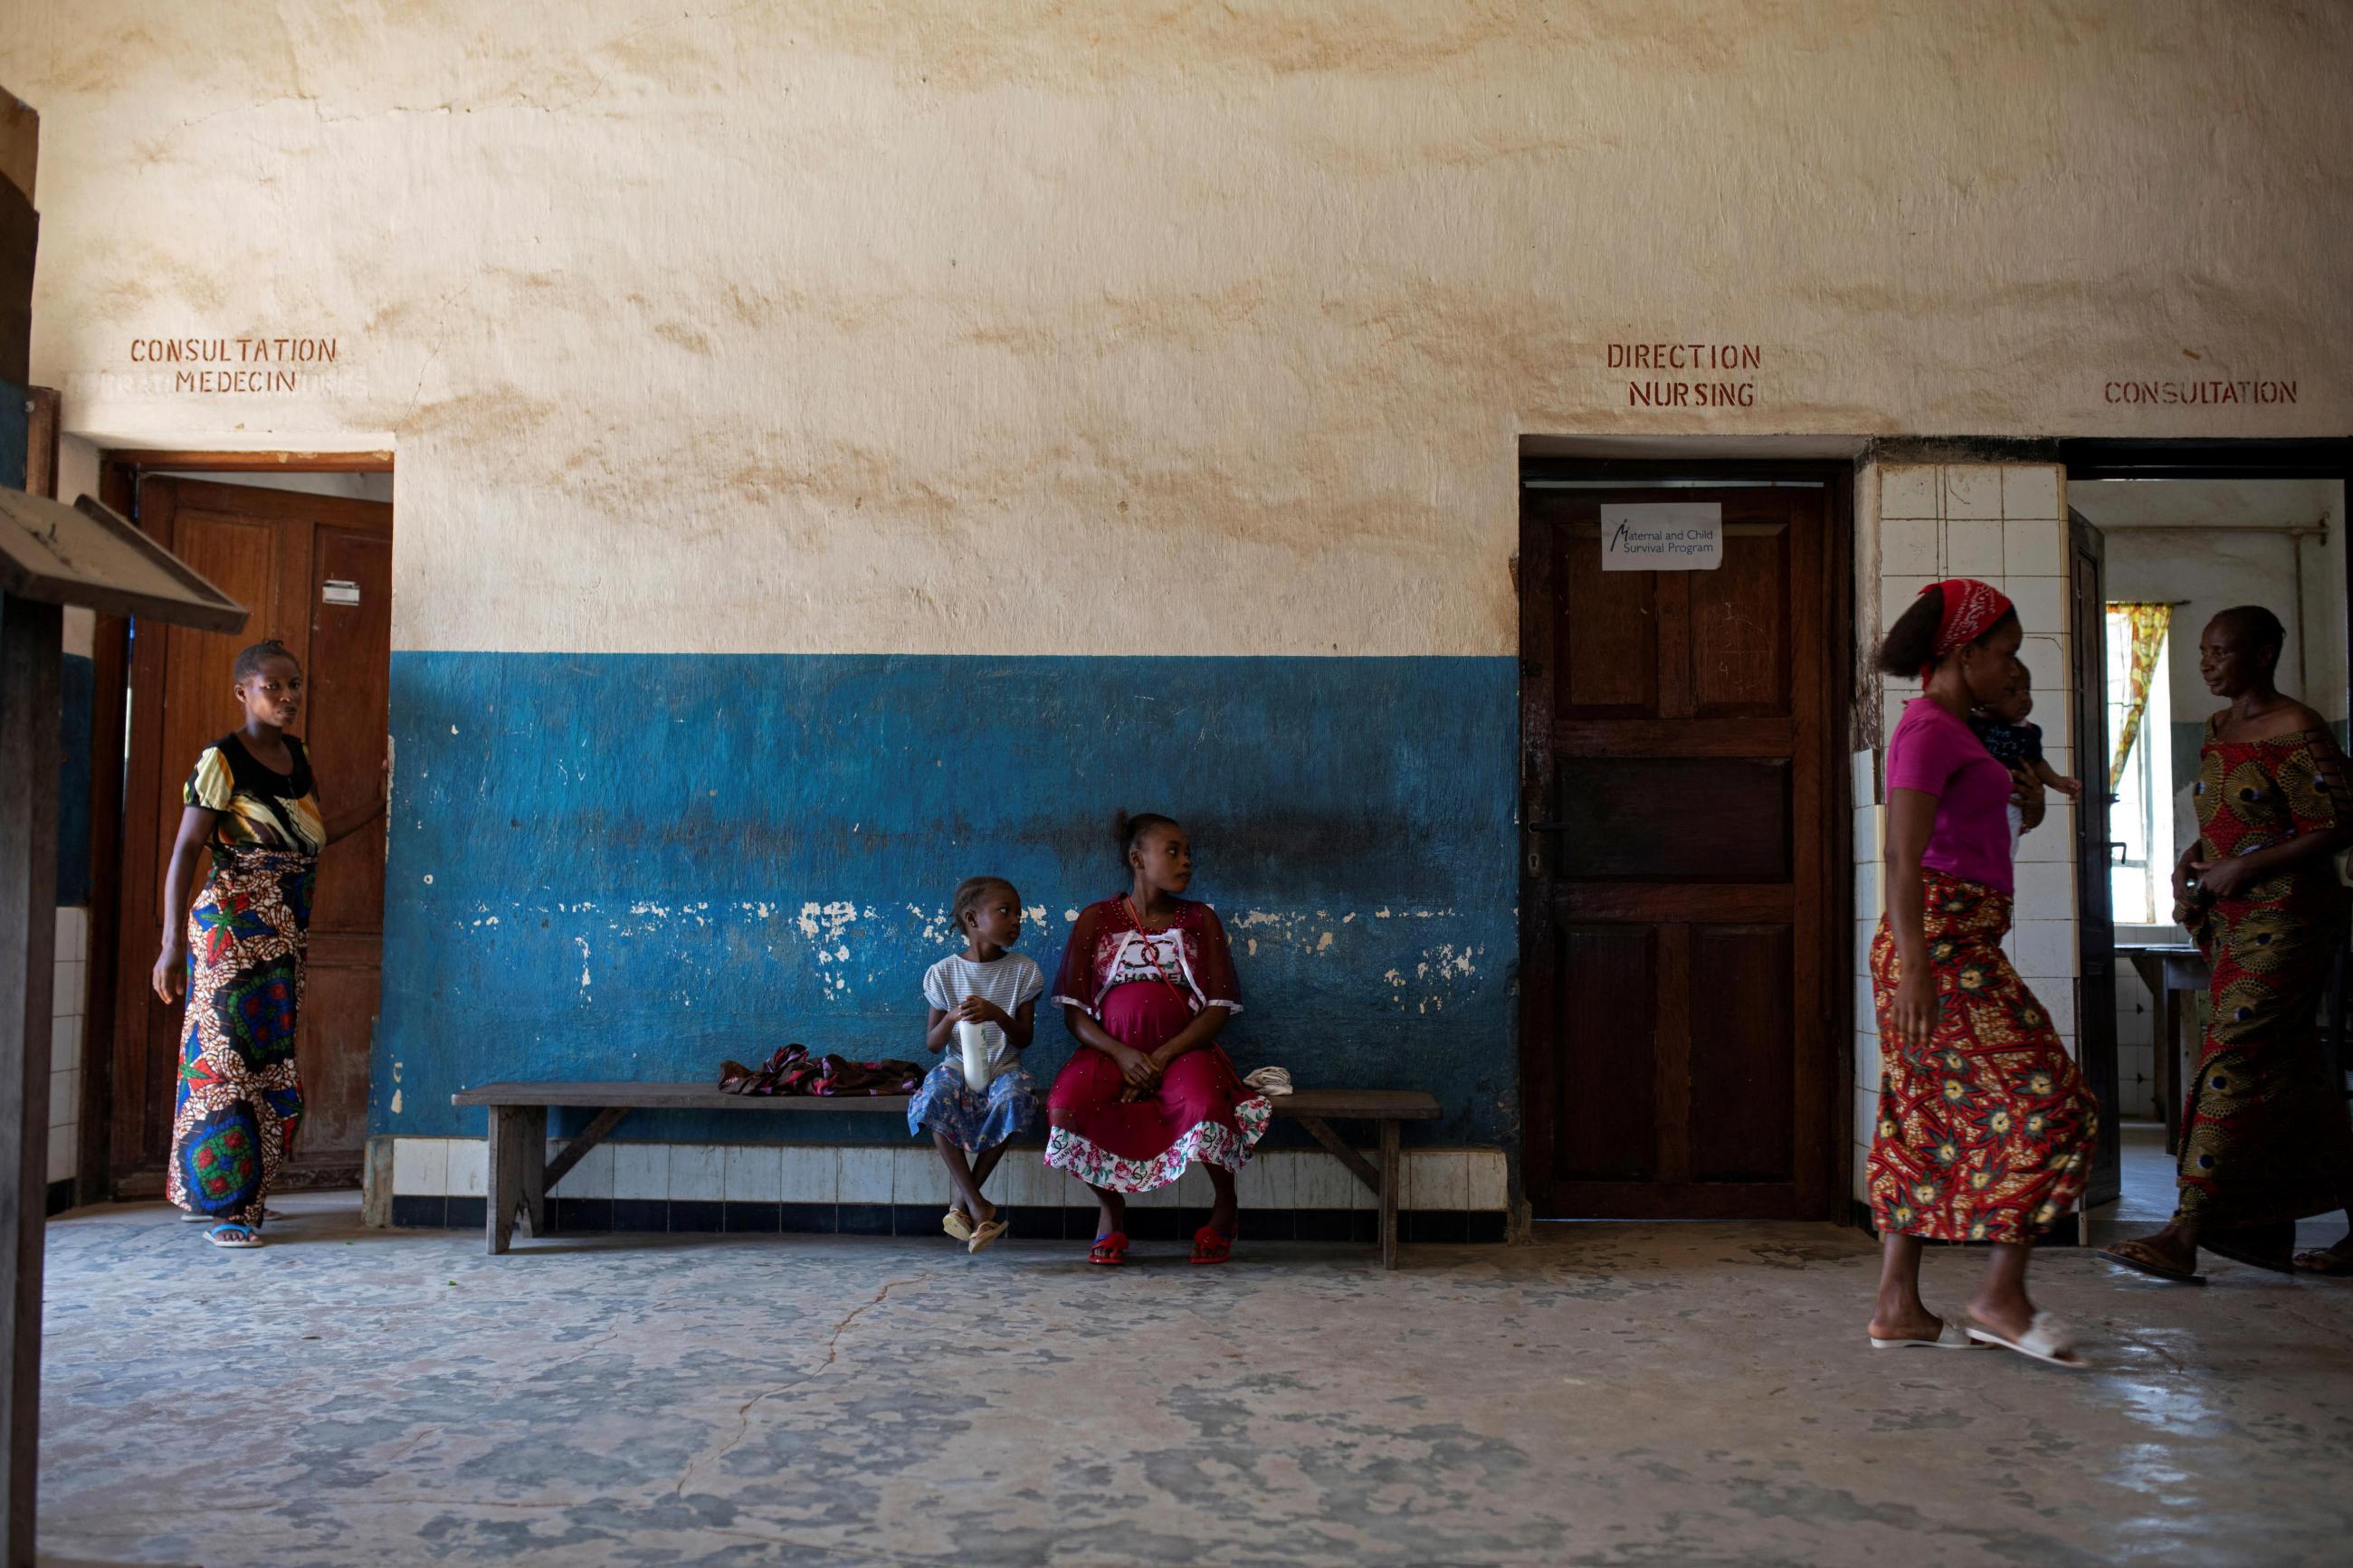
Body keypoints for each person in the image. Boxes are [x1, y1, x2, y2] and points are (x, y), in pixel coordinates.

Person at [1865, 579, 2098, 1367]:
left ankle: (1899, 1306)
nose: (2013, 670)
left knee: (1923, 1114)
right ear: (1963, 654)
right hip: (1940, 948)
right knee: (2057, 1103)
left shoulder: (1968, 730)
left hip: (1956, 941)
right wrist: (1919, 966)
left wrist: (2027, 804)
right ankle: (2000, 1294)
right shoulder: (1927, 728)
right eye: (2006, 655)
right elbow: (1902, 854)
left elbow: (1983, 827)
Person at [2100, 605, 2353, 1281]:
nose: (2207, 665)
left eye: (2220, 653)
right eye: (2204, 652)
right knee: (2296, 1075)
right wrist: (2196, 857)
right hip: (2234, 922)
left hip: (2292, 918)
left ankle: (2186, 1229)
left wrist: (2244, 866)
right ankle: (2292, 1231)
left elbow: (2336, 823)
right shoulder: (2220, 729)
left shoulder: (2296, 727)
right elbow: (2234, 818)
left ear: (2264, 654)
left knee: (2229, 1059)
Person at [151, 640, 385, 1248]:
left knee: (266, 1061)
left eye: (294, 686)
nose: (286, 697)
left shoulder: (297, 755)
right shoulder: (222, 759)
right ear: (243, 692)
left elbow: (311, 836)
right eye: (272, 686)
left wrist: (382, 805)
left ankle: (236, 1187)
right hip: (232, 931)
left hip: (283, 938)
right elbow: (183, 852)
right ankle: (231, 1207)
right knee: (227, 1064)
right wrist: (171, 943)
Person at [1043, 812, 1271, 1265]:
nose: (1186, 861)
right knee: (1065, 1105)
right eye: (1173, 851)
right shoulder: (1097, 919)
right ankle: (1111, 1210)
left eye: (1188, 853)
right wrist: (1124, 1055)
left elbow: (1217, 1008)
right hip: (1109, 1050)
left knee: (1206, 1103)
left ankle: (1225, 1206)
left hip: (1184, 1050)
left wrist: (1161, 1057)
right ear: (1137, 858)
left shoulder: (1199, 919)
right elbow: (1074, 1013)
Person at [910, 875, 1043, 1254]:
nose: (1017, 919)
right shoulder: (943, 973)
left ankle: (963, 1203)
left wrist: (996, 1013)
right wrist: (952, 1018)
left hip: (1003, 1066)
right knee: (933, 1096)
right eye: (1005, 911)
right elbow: (933, 1044)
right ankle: (977, 1203)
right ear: (972, 919)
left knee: (1016, 1098)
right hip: (957, 1064)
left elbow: (1023, 1038)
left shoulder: (1024, 971)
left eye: (1019, 913)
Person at [1971, 662, 2082, 856]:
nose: (2023, 699)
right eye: (2012, 692)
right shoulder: (1973, 724)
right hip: (1976, 802)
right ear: (1987, 698)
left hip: (2012, 803)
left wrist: (2056, 780)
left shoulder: (2027, 732)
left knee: (2003, 852)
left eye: (2027, 690)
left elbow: (2036, 762)